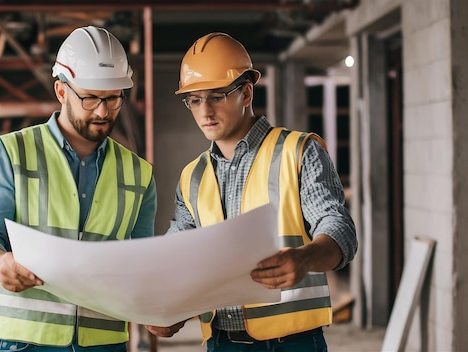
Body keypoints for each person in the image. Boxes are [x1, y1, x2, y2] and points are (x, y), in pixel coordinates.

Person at [144, 32, 357, 351]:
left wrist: (304, 258)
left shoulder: (298, 152)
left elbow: (339, 229)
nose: (205, 112)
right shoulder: (193, 176)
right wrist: (169, 306)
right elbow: (180, 255)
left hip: (293, 343)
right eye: (196, 100)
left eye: (216, 96)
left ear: (245, 92)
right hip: (221, 343)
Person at [0, 26, 157, 352]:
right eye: (90, 97)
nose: (102, 111)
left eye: (112, 98)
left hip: (105, 343)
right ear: (62, 91)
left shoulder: (139, 173)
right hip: (27, 343)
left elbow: (142, 264)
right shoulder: (12, 153)